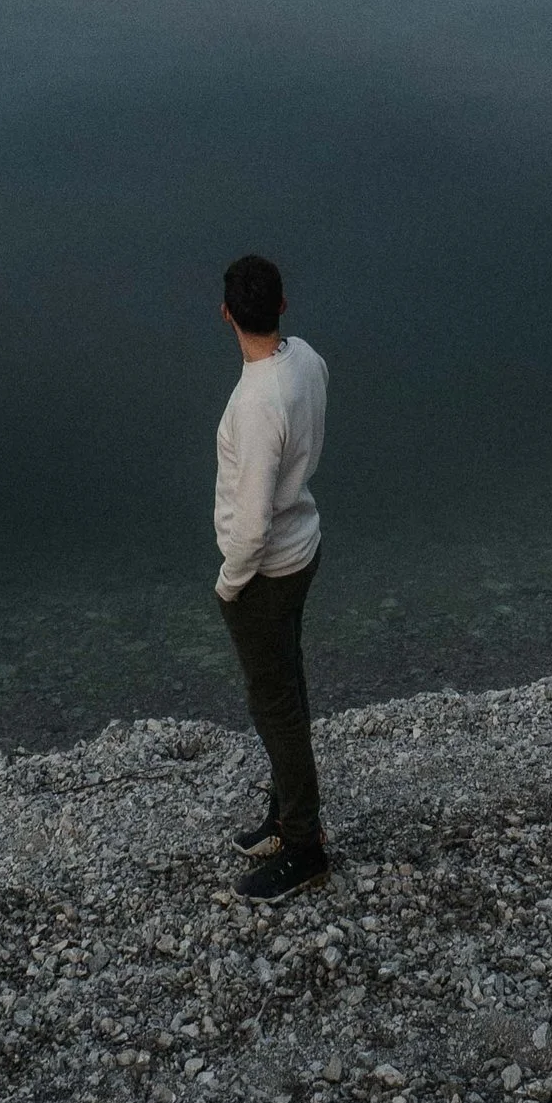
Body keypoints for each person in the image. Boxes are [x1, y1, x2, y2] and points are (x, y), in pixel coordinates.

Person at [212, 250, 329, 903]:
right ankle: (284, 816)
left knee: (274, 702)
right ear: (281, 305)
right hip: (302, 549)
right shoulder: (306, 361)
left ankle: (304, 846)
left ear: (226, 313)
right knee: (287, 684)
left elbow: (252, 522)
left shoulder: (256, 403)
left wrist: (230, 582)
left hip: (266, 571)